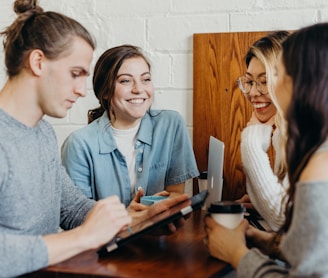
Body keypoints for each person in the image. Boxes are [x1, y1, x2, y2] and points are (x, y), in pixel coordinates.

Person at [0, 1, 189, 277]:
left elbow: (73, 208)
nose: (80, 90)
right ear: (38, 62)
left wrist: (134, 221)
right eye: (75, 74)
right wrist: (84, 237)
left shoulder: (42, 133)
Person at [205, 22, 328, 276]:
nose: (256, 91)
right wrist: (264, 241)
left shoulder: (320, 160)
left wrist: (237, 254)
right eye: (249, 81)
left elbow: (283, 220)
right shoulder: (311, 145)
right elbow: (313, 250)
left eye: (276, 75)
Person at [61, 44, 199, 210]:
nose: (139, 89)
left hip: (161, 232)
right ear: (105, 91)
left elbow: (176, 195)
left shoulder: (171, 124)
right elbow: (77, 215)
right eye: (125, 81)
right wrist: (130, 217)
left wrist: (155, 209)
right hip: (109, 236)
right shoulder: (79, 144)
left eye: (146, 79)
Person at [236, 31, 290, 231]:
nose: (252, 92)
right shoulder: (284, 134)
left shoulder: (308, 136)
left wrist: (251, 140)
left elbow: (281, 220)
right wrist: (260, 203)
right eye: (249, 81)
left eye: (264, 81)